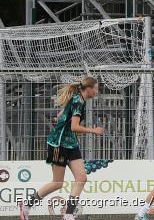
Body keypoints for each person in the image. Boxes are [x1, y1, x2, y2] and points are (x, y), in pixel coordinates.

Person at [20, 77, 103, 220]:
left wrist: (61, 117)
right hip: (59, 144)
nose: (97, 92)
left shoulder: (78, 99)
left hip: (71, 143)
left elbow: (61, 115)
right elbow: (74, 127)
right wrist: (93, 130)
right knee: (57, 183)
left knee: (81, 178)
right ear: (89, 89)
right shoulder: (78, 102)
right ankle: (27, 204)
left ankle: (69, 214)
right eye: (96, 89)